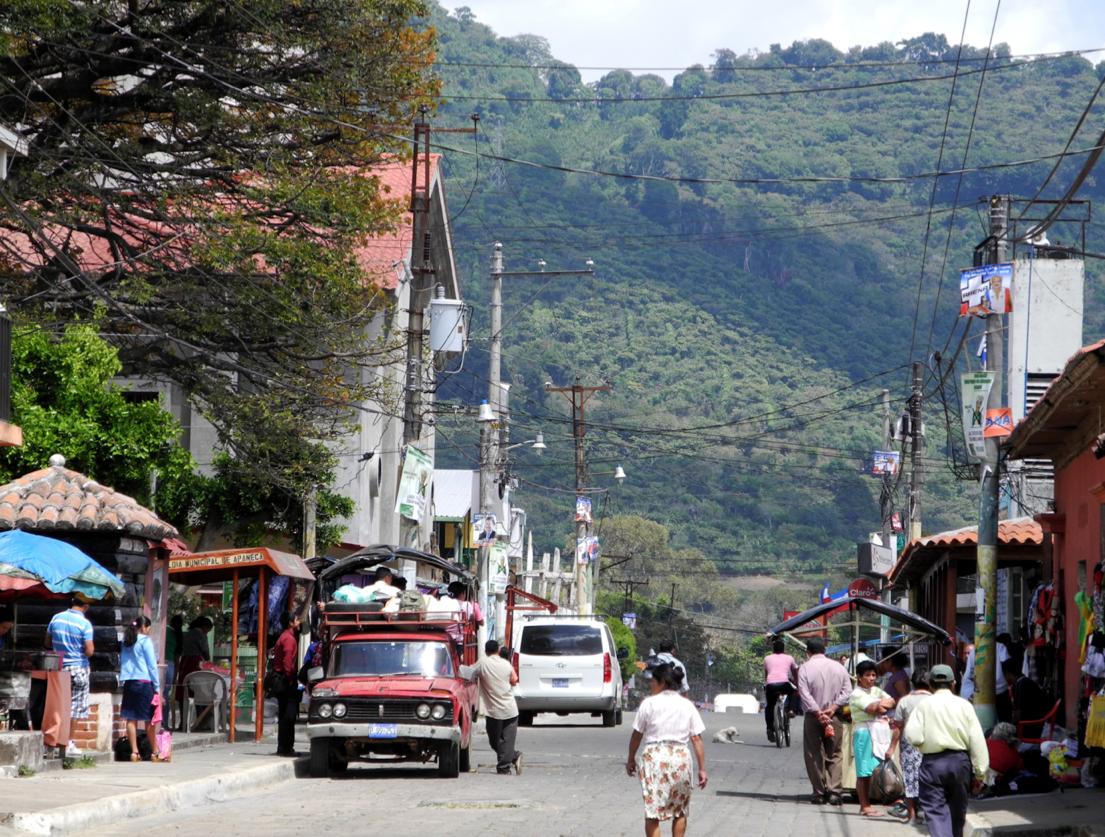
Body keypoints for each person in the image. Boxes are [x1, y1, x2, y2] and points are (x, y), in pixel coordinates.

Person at [904, 665, 989, 837]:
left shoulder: (924, 705)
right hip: (960, 764)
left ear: (930, 684)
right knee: (958, 814)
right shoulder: (965, 706)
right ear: (953, 683)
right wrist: (981, 773)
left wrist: (923, 743)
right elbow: (977, 741)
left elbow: (913, 736)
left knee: (936, 814)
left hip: (932, 765)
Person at [626, 662, 707, 836]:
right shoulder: (687, 705)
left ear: (662, 681)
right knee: (680, 810)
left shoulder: (649, 703)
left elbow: (637, 735)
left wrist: (631, 759)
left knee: (653, 812)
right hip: (680, 758)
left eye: (653, 681)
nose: (651, 685)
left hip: (654, 758)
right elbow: (696, 738)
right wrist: (702, 769)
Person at [797, 637, 852, 806]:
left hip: (813, 718)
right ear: (825, 650)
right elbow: (848, 691)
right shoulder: (839, 667)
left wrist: (818, 712)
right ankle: (835, 793)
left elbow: (804, 694)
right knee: (834, 754)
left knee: (814, 754)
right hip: (834, 717)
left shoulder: (804, 668)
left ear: (808, 651)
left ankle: (819, 793)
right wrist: (834, 708)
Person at [45, 596, 95, 758]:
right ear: (86, 606)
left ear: (72, 601)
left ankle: (52, 740)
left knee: (58, 706)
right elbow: (89, 651)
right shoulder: (85, 624)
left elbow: (47, 643)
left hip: (59, 666)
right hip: (78, 667)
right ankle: (68, 742)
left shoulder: (56, 618)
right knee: (76, 707)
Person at [848, 659, 897, 817]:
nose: (871, 678)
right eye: (868, 675)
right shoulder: (856, 694)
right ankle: (865, 806)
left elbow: (893, 701)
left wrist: (880, 705)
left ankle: (887, 800)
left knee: (881, 768)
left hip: (880, 731)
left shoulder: (876, 691)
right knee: (864, 772)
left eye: (873, 675)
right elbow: (873, 709)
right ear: (859, 677)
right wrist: (881, 705)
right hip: (865, 733)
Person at [888, 668, 933, 823]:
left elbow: (898, 728)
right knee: (929, 781)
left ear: (912, 682)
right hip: (931, 743)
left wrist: (892, 748)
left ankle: (912, 816)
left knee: (910, 780)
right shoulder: (935, 700)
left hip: (909, 743)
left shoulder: (904, 701)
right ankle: (929, 816)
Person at [472, 640, 522, 775]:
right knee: (507, 741)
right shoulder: (506, 664)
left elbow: (469, 672)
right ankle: (514, 756)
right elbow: (514, 680)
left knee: (494, 741)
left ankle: (504, 768)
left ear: (485, 651)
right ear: (498, 650)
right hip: (510, 708)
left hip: (493, 710)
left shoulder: (482, 663)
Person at [120, 616, 166, 762]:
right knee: (149, 720)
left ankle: (134, 753)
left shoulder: (125, 641)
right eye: (149, 629)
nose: (148, 632)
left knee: (131, 718)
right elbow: (152, 666)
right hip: (144, 683)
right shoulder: (145, 641)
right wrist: (158, 688)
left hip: (129, 683)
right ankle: (156, 752)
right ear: (144, 627)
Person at [273, 610, 302, 757]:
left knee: (286, 714)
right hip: (285, 680)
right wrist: (291, 679)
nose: (299, 622)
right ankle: (285, 747)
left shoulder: (284, 637)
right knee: (288, 715)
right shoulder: (289, 639)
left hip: (283, 679)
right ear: (291, 623)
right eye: (296, 620)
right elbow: (287, 661)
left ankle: (285, 746)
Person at [176, 616, 212, 730]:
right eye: (208, 630)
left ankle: (183, 722)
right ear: (205, 626)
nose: (207, 632)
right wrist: (209, 663)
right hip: (197, 663)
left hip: (185, 662)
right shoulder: (201, 635)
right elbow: (205, 652)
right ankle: (200, 722)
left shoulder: (187, 634)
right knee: (200, 692)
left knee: (184, 692)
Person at [1002, 658, 1049, 739]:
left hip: (1029, 729)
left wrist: (1008, 726)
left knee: (995, 733)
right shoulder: (1026, 681)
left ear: (1007, 674)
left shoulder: (1019, 685)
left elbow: (1018, 715)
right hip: (1036, 726)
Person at [763, 638, 798, 743]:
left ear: (773, 650)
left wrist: (767, 683)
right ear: (784, 650)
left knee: (770, 706)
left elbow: (767, 673)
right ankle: (791, 710)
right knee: (793, 691)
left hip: (770, 684)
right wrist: (796, 681)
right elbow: (794, 671)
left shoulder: (767, 658)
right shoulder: (789, 658)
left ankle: (769, 728)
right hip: (784, 684)